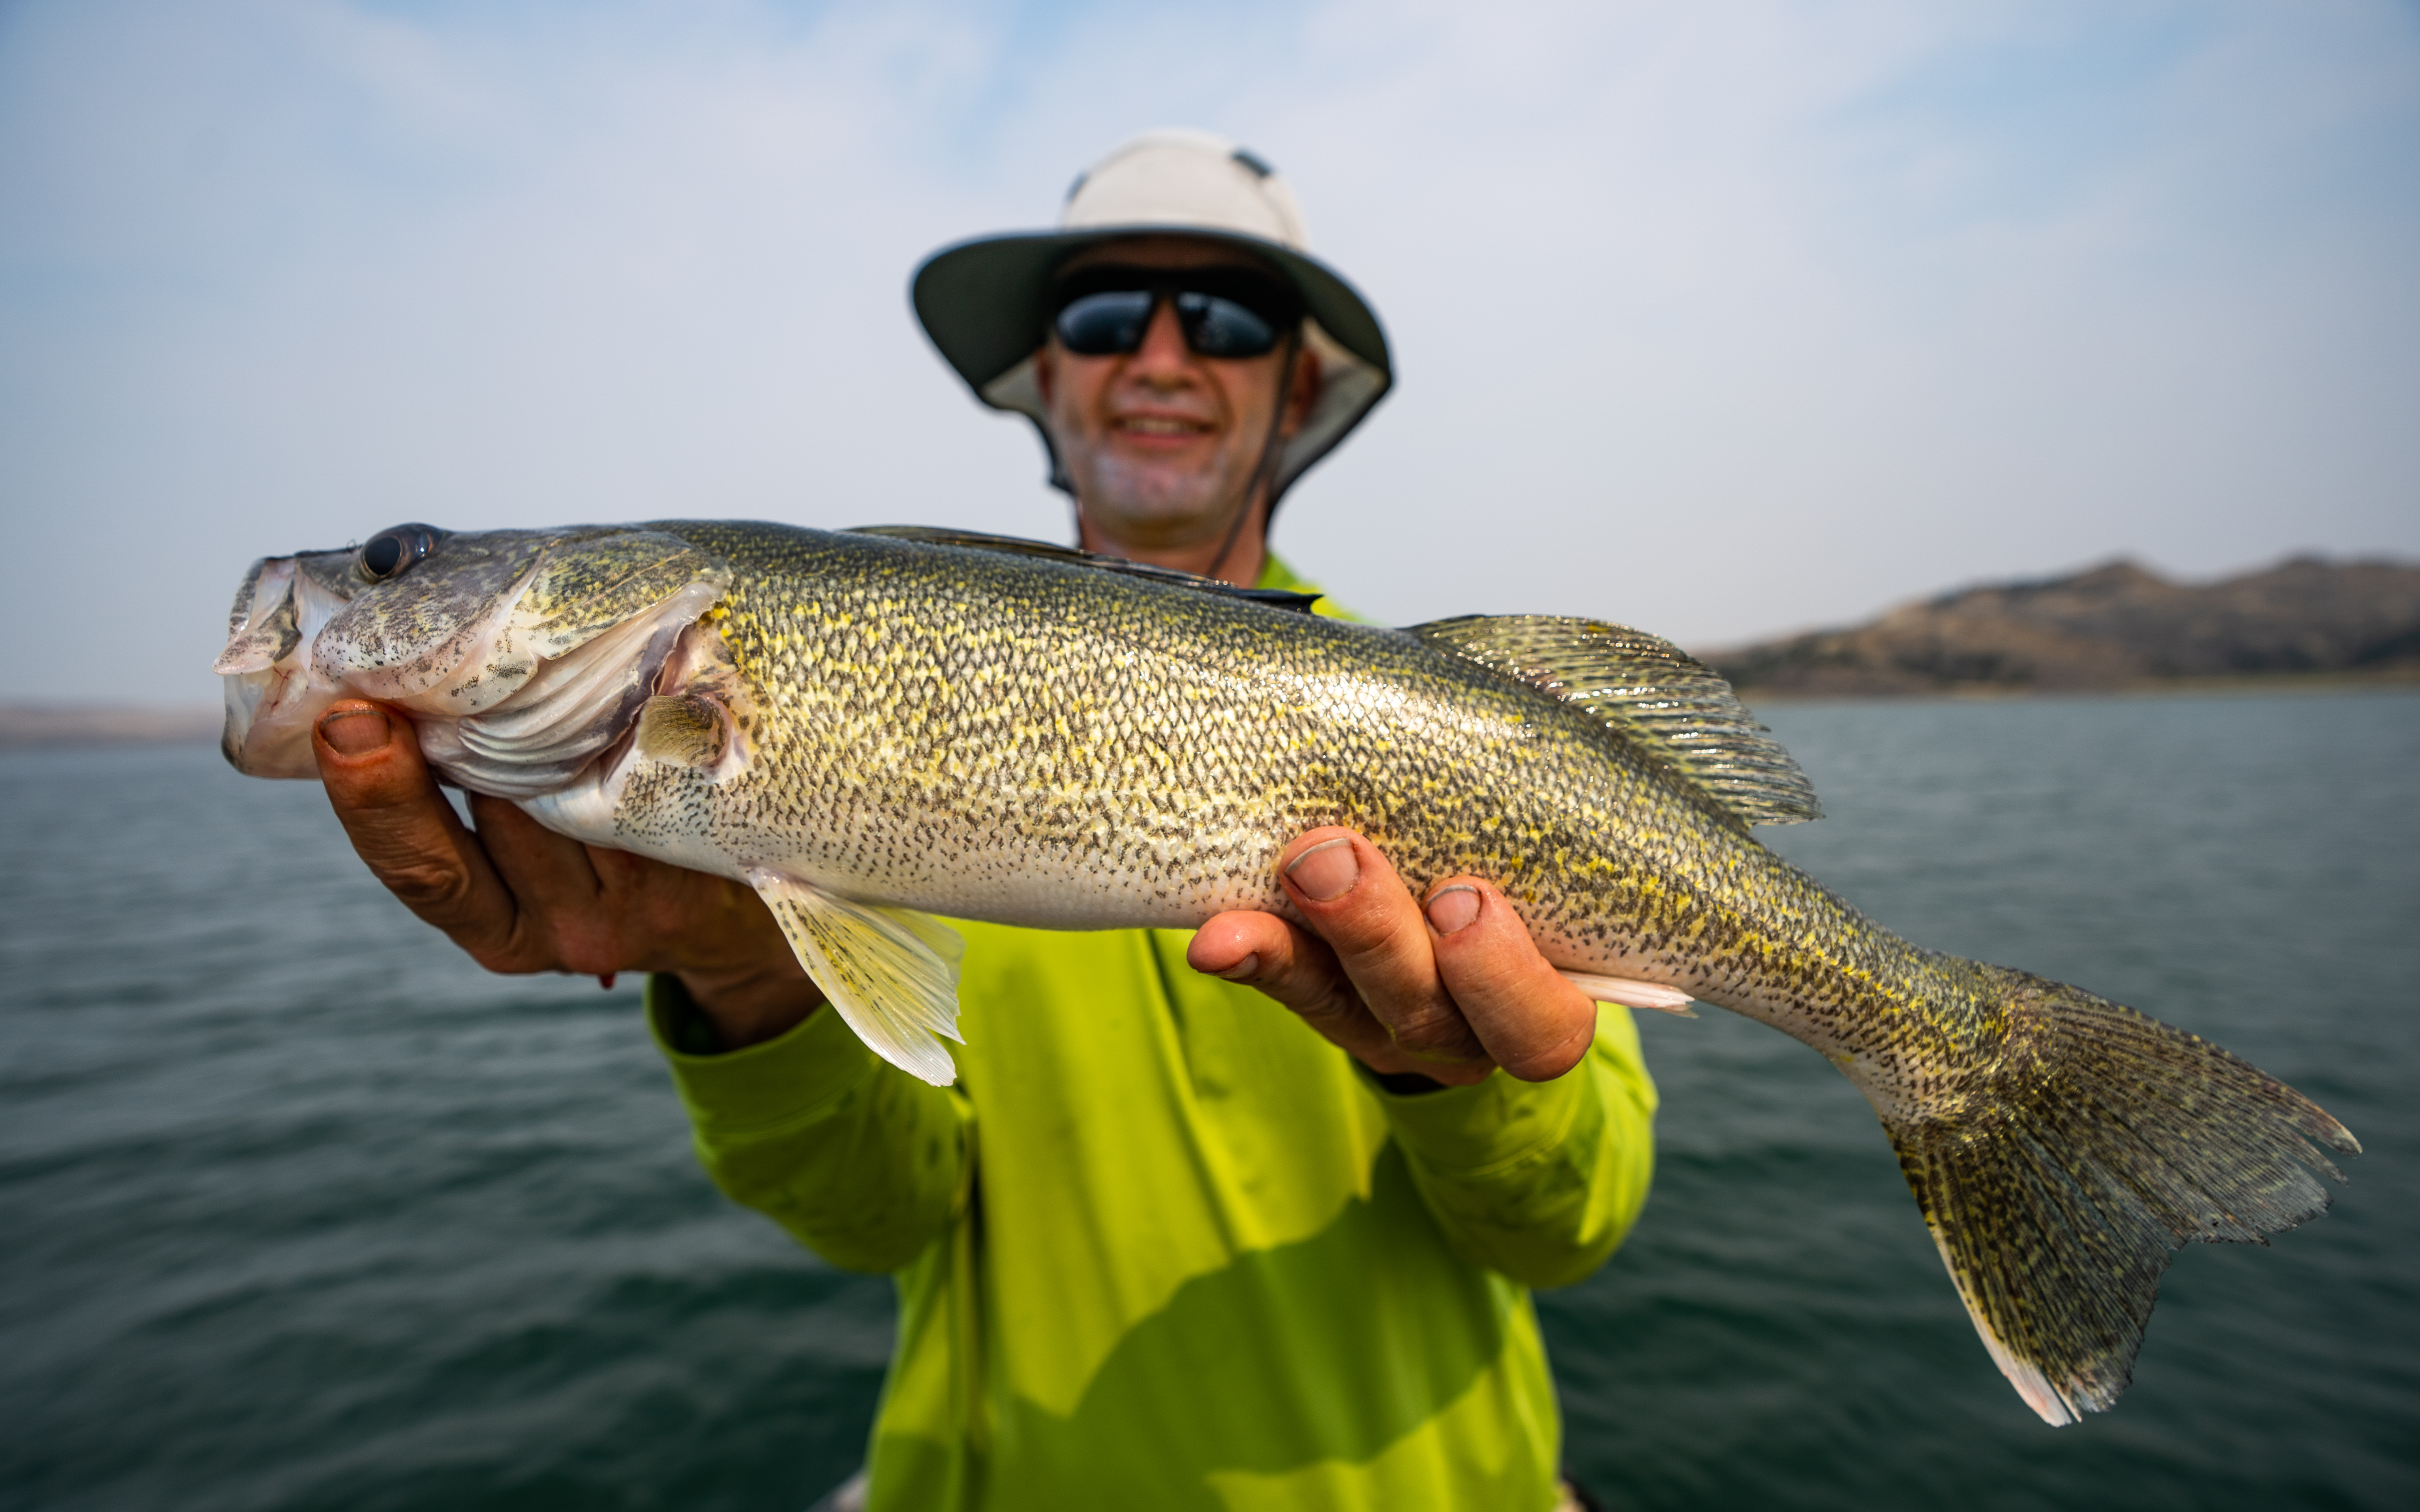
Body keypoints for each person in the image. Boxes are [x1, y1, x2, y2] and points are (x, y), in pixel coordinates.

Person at [309, 130, 1655, 1511]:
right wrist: (742, 968)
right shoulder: (826, 714)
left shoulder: (1466, 739)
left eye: (1232, 320)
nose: (1163, 355)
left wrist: (1456, 1073)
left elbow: (1574, 1225)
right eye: (1103, 315)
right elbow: (879, 1218)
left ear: (1297, 383)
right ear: (1049, 373)